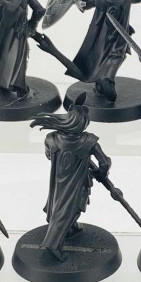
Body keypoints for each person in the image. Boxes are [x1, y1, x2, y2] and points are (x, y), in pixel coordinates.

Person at [30, 94, 112, 262]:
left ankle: (71, 228)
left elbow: (49, 156)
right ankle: (52, 245)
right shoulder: (89, 141)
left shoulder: (51, 139)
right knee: (69, 209)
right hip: (77, 183)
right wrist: (101, 173)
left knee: (60, 206)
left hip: (59, 181)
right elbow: (105, 162)